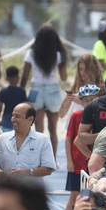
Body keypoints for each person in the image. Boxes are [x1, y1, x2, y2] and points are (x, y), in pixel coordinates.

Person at [23, 25, 69, 157]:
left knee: (38, 129)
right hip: (53, 91)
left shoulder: (31, 53)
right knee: (53, 129)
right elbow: (64, 77)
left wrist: (21, 89)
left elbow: (25, 75)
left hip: (36, 90)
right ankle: (53, 160)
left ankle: (39, 158)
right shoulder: (58, 55)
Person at [64, 85, 101, 199]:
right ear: (81, 101)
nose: (89, 103)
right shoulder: (76, 116)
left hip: (93, 162)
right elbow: (69, 139)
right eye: (86, 100)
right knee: (75, 195)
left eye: (92, 99)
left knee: (93, 193)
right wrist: (69, 161)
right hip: (77, 161)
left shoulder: (100, 116)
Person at [60, 53, 104, 120]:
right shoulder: (76, 86)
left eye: (86, 70)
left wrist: (81, 102)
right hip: (73, 126)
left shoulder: (100, 88)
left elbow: (100, 111)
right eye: (80, 69)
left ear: (93, 69)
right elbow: (61, 115)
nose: (82, 73)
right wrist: (64, 102)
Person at [0, 65, 26, 132]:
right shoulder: (21, 91)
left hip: (6, 121)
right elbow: (25, 108)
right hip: (19, 122)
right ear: (18, 77)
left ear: (7, 78)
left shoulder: (3, 91)